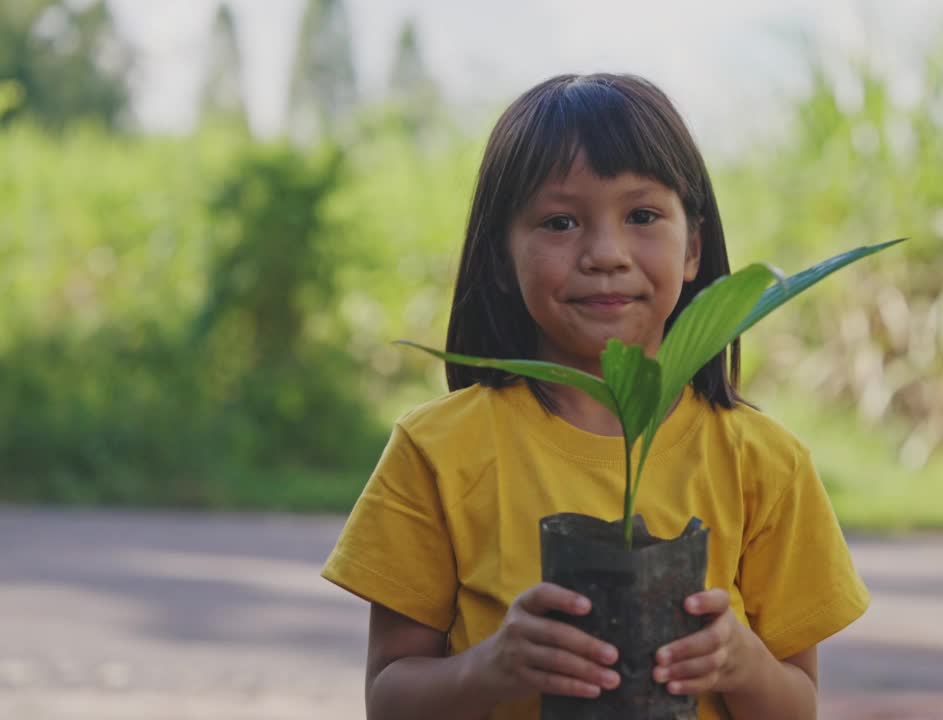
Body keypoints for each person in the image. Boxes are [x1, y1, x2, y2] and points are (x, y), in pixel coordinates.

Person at [321, 72, 870, 720]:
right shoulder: (438, 452)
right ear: (500, 258)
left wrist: (741, 662)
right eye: (560, 221)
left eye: (642, 216)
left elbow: (798, 705)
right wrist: (489, 667)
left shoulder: (766, 464)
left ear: (693, 247)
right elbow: (389, 699)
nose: (605, 253)